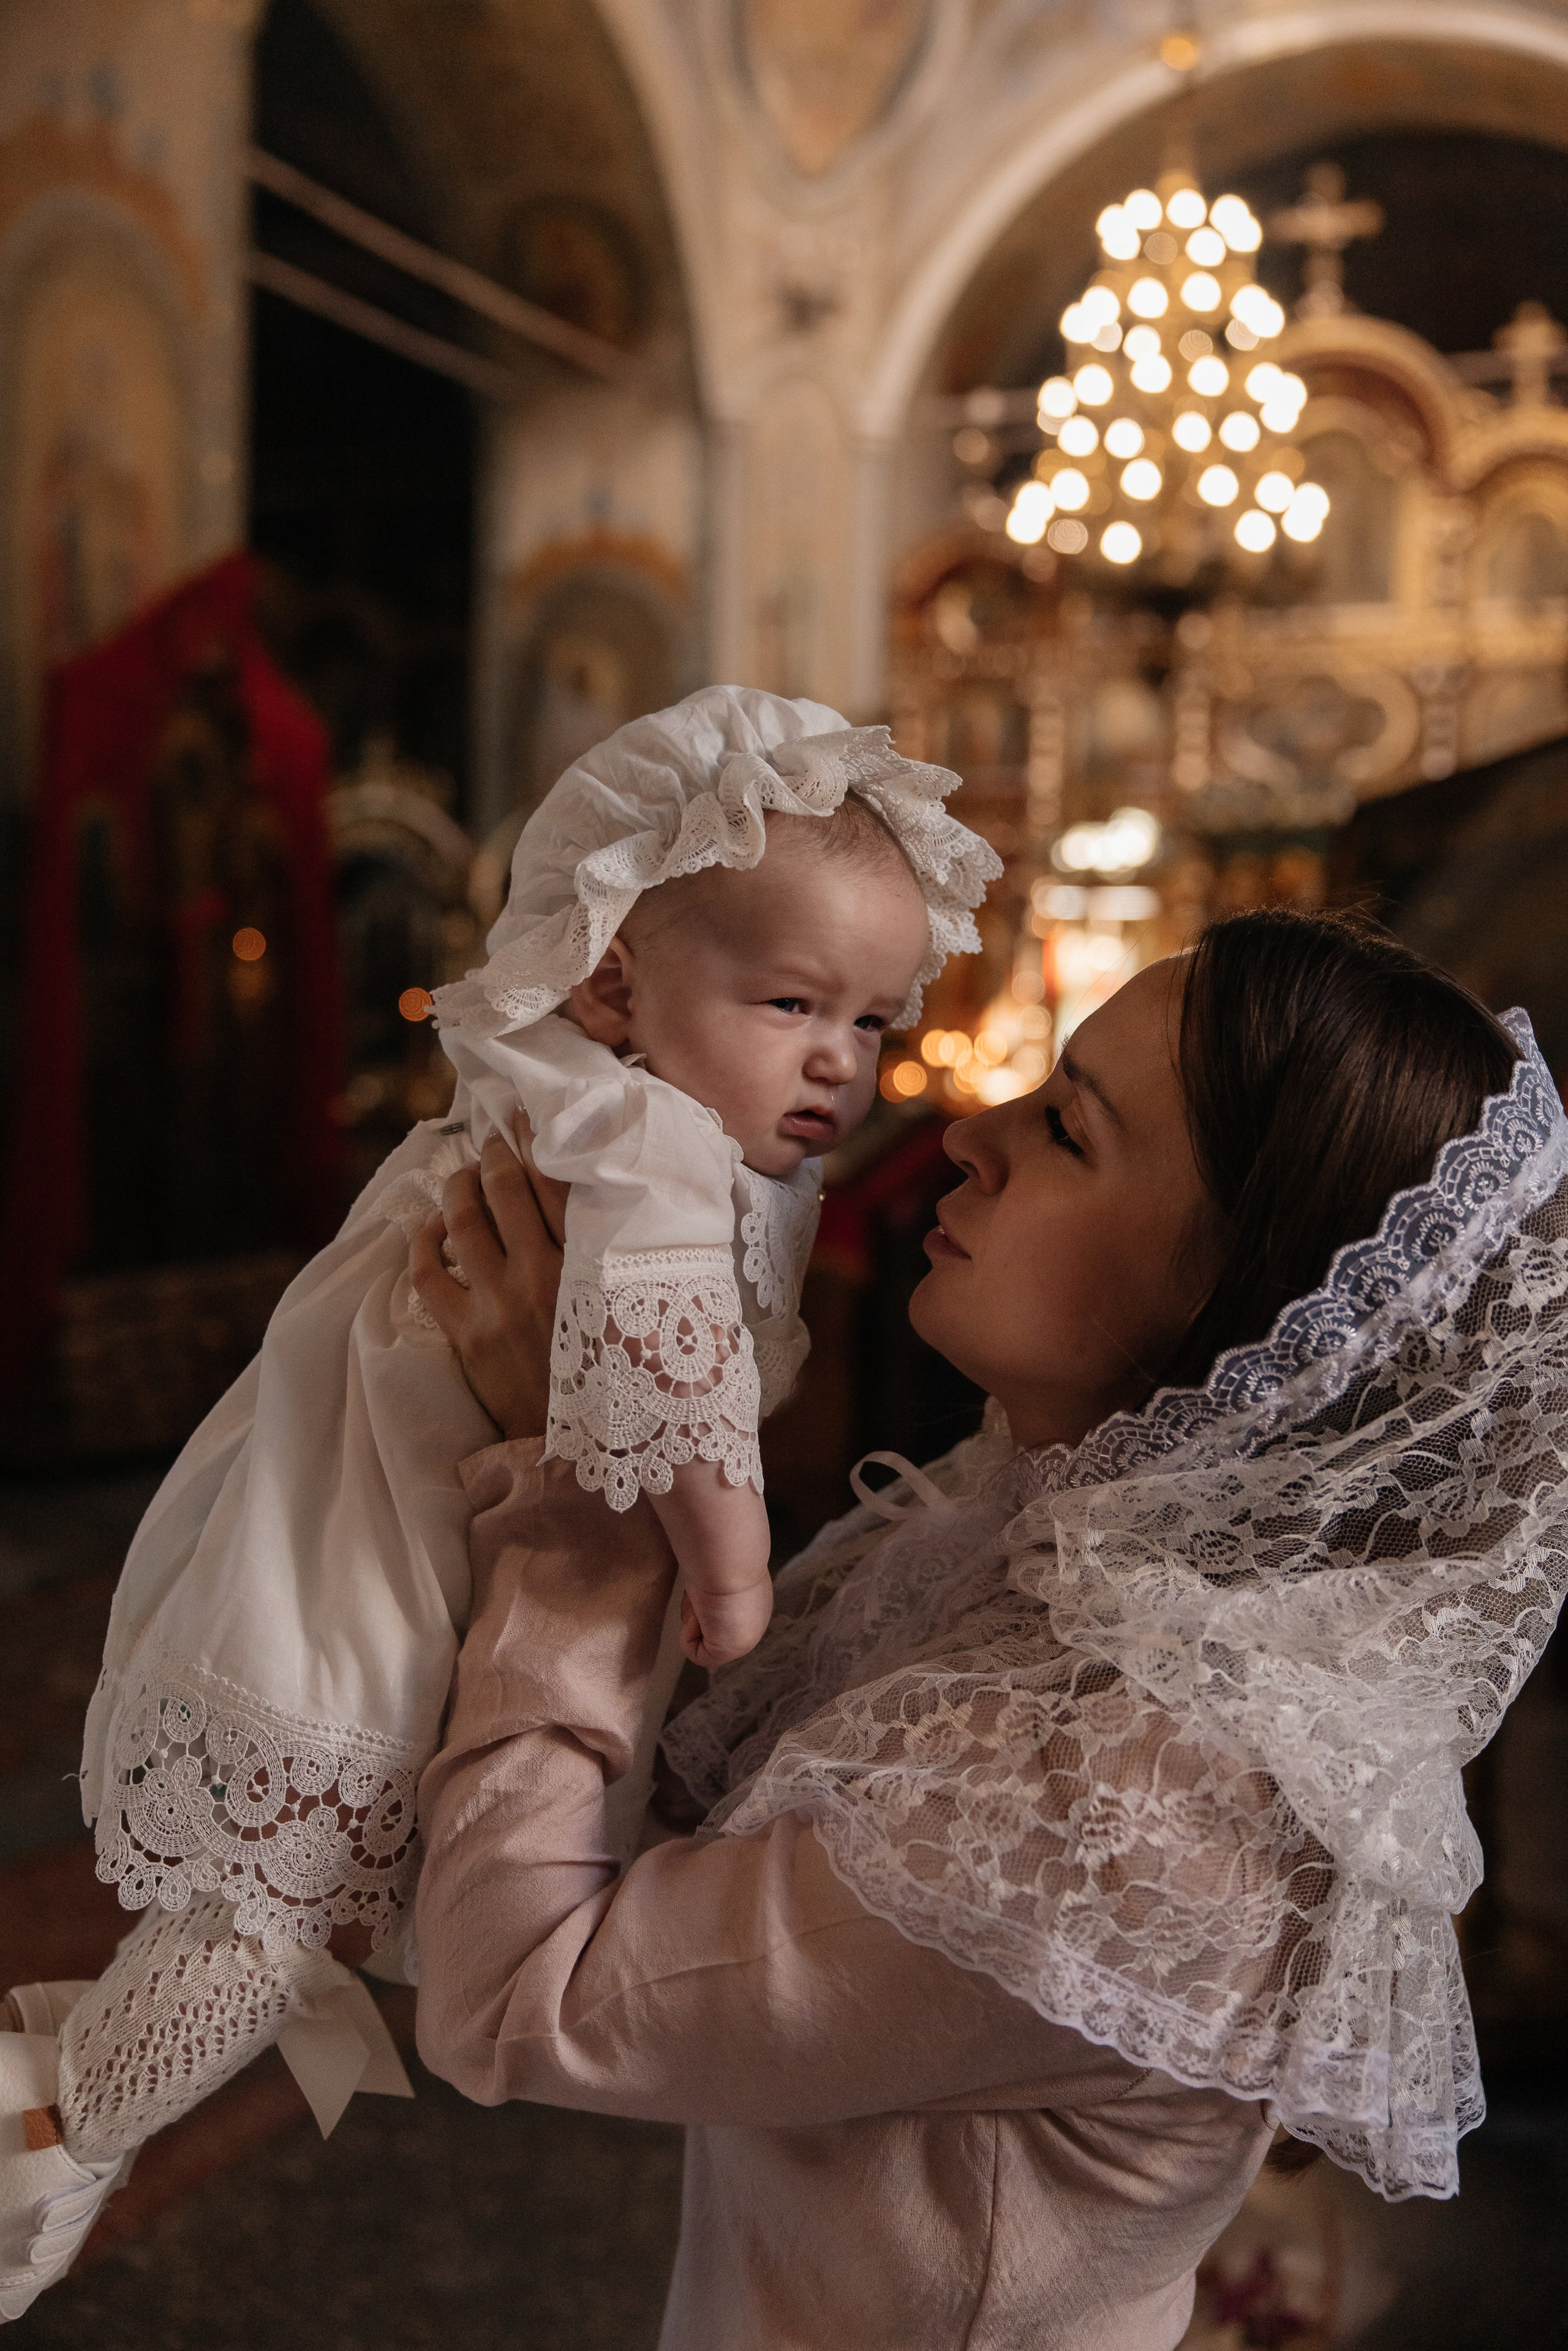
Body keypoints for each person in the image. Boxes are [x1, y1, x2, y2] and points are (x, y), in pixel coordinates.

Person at [408, 910, 1568, 2349]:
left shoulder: (1134, 1798)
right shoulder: (1028, 1546)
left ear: (1246, 1301)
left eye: (1068, 1130)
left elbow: (515, 1995)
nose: (969, 1132)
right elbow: (668, 1815)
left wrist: (589, 1478)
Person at [0, 686, 998, 2323]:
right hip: (376, 1544)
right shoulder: (649, 1143)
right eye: (793, 1000)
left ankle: (65, 2116)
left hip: (387, 1514)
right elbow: (676, 1395)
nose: (840, 1060)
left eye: (874, 1021)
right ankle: (60, 2136)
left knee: (293, 1904)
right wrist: (733, 1578)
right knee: (274, 1900)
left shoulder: (632, 1107)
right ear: (616, 978)